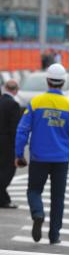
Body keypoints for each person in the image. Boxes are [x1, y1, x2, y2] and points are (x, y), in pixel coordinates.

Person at [15, 63, 69, 244]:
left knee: (34, 190)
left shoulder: (35, 103)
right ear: (63, 83)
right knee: (58, 198)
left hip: (39, 157)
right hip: (61, 159)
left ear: (47, 81)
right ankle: (54, 235)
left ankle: (38, 213)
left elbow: (22, 130)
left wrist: (19, 153)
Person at [0, 79, 21, 209]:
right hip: (7, 143)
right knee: (8, 170)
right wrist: (18, 147)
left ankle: (4, 199)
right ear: (16, 90)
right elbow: (15, 128)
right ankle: (3, 199)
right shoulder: (13, 105)